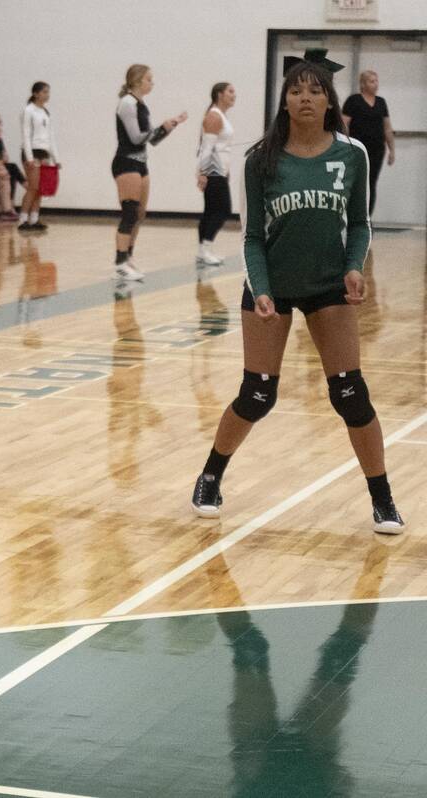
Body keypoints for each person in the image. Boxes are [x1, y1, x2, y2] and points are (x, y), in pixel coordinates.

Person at [189, 51, 404, 535]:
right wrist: (261, 289)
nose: (305, 98)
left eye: (314, 90)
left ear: (329, 100)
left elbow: (360, 224)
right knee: (258, 394)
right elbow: (250, 238)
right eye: (295, 90)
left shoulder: (353, 153)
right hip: (273, 289)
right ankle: (209, 476)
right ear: (284, 101)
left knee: (351, 395)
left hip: (329, 288)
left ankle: (383, 499)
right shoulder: (259, 159)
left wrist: (353, 268)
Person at [111, 64, 187, 282]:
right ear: (136, 80)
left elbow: (151, 140)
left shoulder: (141, 104)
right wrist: (159, 127)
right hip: (126, 163)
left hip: (141, 163)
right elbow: (135, 138)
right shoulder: (127, 103)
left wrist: (168, 127)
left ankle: (128, 257)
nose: (151, 83)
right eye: (149, 79)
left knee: (140, 213)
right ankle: (119, 263)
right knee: (129, 213)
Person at [342, 70, 394, 214]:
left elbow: (387, 128)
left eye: (376, 81)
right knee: (355, 183)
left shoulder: (381, 102)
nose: (376, 84)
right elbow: (344, 123)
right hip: (357, 149)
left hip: (377, 150)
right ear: (363, 84)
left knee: (371, 183)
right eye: (372, 81)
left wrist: (392, 150)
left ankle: (366, 218)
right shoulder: (353, 100)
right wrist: (346, 144)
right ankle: (350, 216)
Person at [195, 82, 235, 265]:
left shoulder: (221, 116)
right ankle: (205, 248)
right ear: (220, 94)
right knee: (222, 210)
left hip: (219, 171)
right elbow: (206, 148)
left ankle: (203, 251)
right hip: (213, 171)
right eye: (230, 91)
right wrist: (203, 173)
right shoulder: (214, 116)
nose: (234, 95)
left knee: (211, 211)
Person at [19, 81, 59, 232]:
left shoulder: (45, 112)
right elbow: (26, 135)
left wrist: (56, 158)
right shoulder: (28, 110)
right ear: (35, 93)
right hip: (32, 152)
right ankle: (23, 219)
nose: (46, 95)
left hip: (43, 152)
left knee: (40, 188)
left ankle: (34, 218)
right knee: (33, 187)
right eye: (44, 92)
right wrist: (29, 157)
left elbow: (50, 136)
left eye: (48, 92)